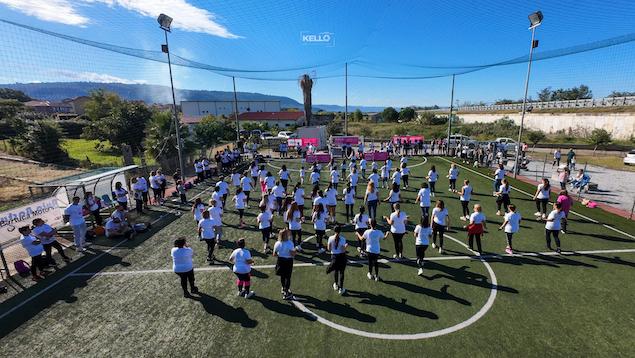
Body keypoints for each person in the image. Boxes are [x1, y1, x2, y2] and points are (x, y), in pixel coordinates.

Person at [273, 228, 296, 300]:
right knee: (288, 277)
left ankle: (283, 288)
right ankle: (286, 292)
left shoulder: (277, 243)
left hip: (280, 260)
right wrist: (295, 251)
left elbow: (274, 254)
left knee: (282, 276)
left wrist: (281, 255)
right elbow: (292, 254)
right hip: (288, 261)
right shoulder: (290, 243)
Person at [326, 225, 348, 295]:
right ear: (340, 231)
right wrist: (345, 247)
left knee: (336, 270)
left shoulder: (330, 238)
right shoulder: (343, 239)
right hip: (342, 257)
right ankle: (341, 288)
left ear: (334, 230)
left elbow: (329, 249)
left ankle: (335, 284)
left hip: (334, 257)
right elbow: (343, 250)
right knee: (342, 272)